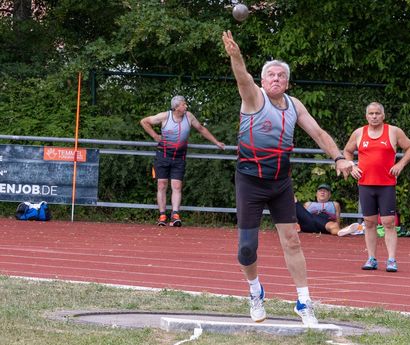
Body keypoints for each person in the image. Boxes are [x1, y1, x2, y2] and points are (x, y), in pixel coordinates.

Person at [222, 31, 352, 326]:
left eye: (281, 75)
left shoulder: (295, 105)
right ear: (263, 81)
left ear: (288, 82)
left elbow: (318, 133)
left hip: (281, 183)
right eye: (271, 75)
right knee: (246, 247)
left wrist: (339, 157)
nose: (276, 79)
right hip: (249, 182)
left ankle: (304, 301)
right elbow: (242, 77)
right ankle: (255, 292)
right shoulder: (254, 98)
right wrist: (236, 55)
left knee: (292, 241)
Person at [343, 102, 410, 272]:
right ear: (366, 116)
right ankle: (371, 258)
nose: (374, 116)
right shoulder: (359, 133)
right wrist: (352, 166)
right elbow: (347, 150)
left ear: (383, 115)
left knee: (389, 223)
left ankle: (391, 259)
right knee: (369, 223)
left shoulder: (393, 131)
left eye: (377, 113)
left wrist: (400, 165)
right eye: (371, 113)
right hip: (365, 184)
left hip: (386, 184)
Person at [140, 95, 225, 227]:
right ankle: (162, 215)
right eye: (184, 104)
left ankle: (175, 215)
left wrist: (216, 142)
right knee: (162, 185)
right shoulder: (164, 116)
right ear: (176, 107)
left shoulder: (189, 116)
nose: (186, 106)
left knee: (177, 186)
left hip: (179, 157)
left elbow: (201, 129)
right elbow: (144, 121)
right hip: (162, 155)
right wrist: (155, 136)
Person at [295, 183, 360, 236]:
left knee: (334, 225)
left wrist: (337, 225)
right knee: (295, 202)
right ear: (316, 194)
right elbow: (301, 216)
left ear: (329, 195)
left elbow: (337, 220)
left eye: (325, 191)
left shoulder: (334, 204)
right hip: (308, 222)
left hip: (325, 224)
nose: (322, 192)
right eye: (320, 191)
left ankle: (340, 231)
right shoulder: (308, 204)